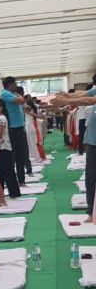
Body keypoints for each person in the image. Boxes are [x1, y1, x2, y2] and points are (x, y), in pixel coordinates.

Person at [52, 81, 96, 221]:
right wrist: (68, 95)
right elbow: (85, 94)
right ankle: (91, 211)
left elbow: (90, 100)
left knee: (91, 176)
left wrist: (65, 100)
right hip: (92, 140)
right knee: (90, 177)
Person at [0, 77, 29, 185]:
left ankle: (21, 180)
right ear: (10, 85)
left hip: (19, 127)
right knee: (12, 156)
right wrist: (18, 94)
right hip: (12, 128)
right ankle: (10, 181)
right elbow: (21, 101)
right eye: (15, 84)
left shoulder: (11, 94)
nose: (16, 86)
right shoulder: (5, 94)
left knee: (20, 154)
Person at [0, 100, 22, 199]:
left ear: (0, 107)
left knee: (7, 172)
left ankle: (12, 193)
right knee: (1, 172)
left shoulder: (0, 118)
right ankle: (2, 194)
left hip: (3, 148)